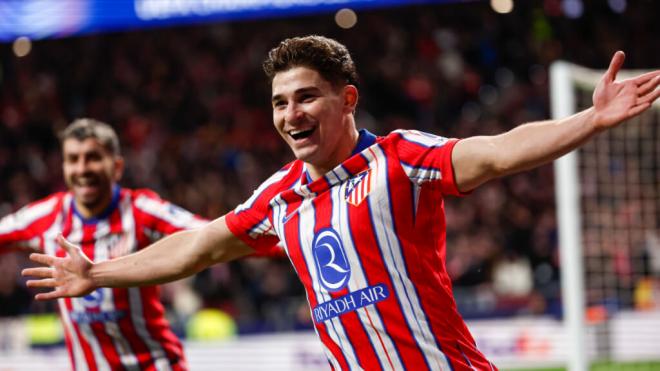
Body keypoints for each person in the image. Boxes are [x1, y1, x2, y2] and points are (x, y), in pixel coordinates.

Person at [23, 36, 660, 370]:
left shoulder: (401, 160)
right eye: (278, 102)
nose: (289, 114)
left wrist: (590, 121)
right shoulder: (279, 197)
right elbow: (195, 247)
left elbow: (496, 151)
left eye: (305, 97)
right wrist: (97, 272)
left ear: (347, 100)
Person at [2, 118, 208, 370]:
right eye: (73, 159)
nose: (82, 168)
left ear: (117, 167)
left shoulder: (141, 210)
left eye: (93, 157)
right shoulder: (45, 217)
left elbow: (211, 234)